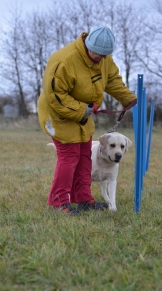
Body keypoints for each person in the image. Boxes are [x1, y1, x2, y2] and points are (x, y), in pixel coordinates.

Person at [37, 26, 137, 216]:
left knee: (84, 155)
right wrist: (84, 109)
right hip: (57, 113)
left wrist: (127, 98)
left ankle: (84, 199)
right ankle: (58, 203)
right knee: (70, 157)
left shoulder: (104, 59)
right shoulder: (63, 61)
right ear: (87, 45)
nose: (101, 58)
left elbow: (112, 79)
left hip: (83, 112)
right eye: (97, 54)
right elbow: (55, 96)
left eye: (104, 56)